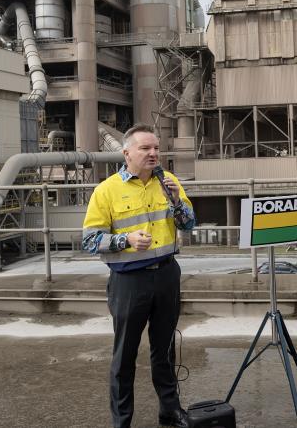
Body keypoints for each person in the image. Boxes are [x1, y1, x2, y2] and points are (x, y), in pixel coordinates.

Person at [82, 125, 195, 428]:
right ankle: (122, 421)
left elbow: (189, 224)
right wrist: (125, 241)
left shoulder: (169, 182)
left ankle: (170, 411)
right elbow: (89, 241)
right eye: (145, 148)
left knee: (165, 350)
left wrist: (176, 201)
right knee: (125, 355)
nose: (153, 153)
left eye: (156, 148)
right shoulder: (106, 191)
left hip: (167, 275)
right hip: (129, 281)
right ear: (127, 153)